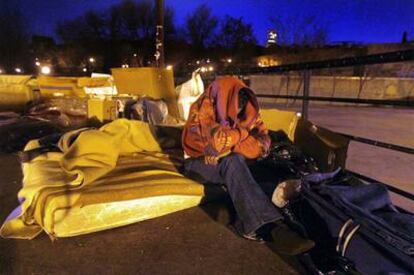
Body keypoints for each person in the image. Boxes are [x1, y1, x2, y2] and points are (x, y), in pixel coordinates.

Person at [182, 76, 314, 255]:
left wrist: (232, 140)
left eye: (240, 113)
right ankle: (263, 227)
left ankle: (235, 213)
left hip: (231, 161)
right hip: (197, 163)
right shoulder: (202, 108)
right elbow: (206, 143)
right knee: (235, 162)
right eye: (231, 113)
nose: (237, 117)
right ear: (223, 100)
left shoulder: (248, 110)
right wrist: (243, 136)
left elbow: (262, 142)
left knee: (243, 163)